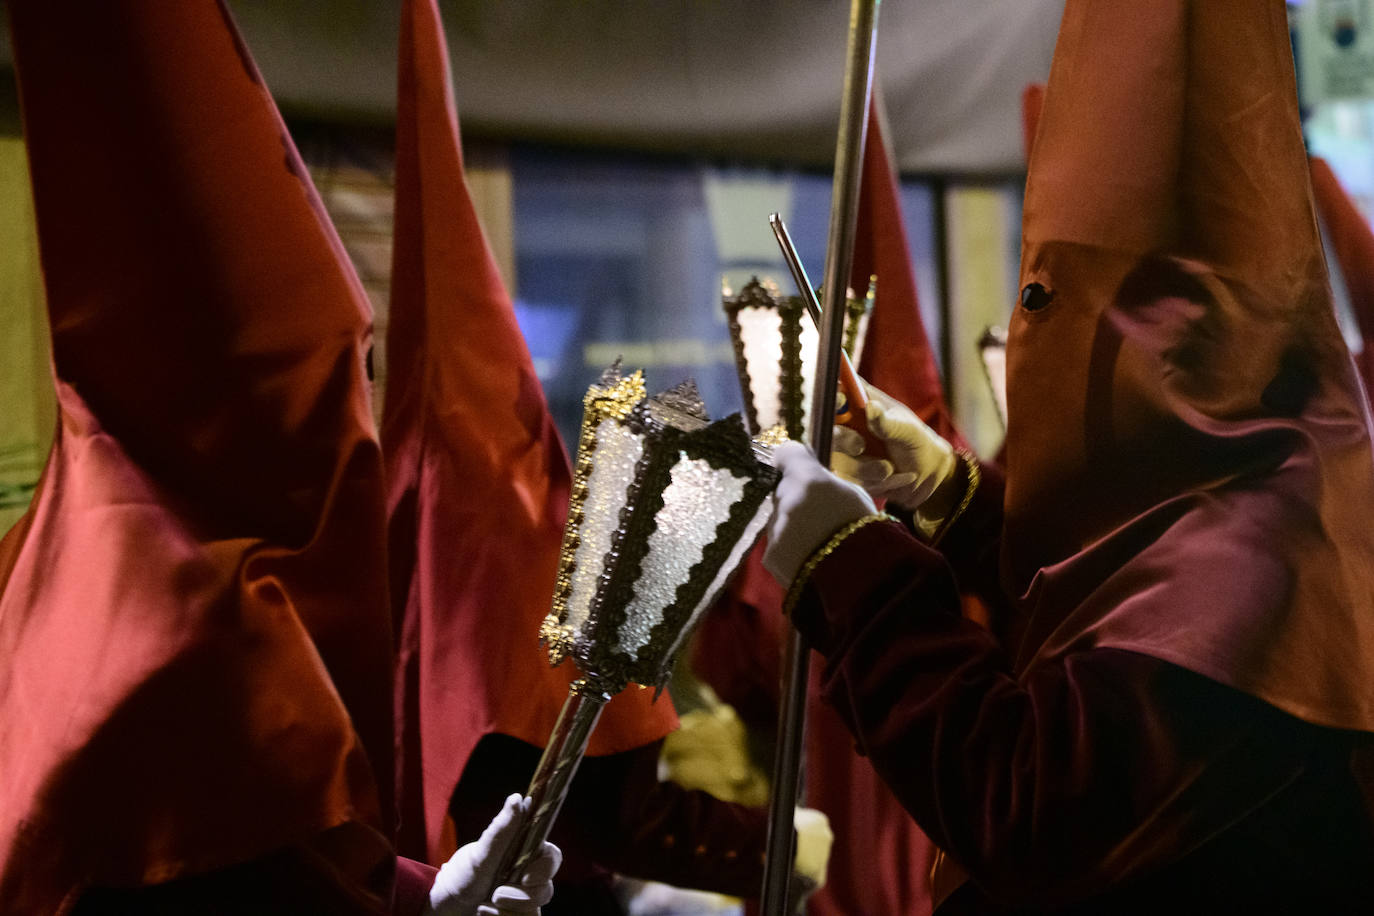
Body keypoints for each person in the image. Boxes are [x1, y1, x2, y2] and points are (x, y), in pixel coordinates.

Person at [762, 1, 1374, 912]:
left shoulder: (1258, 567)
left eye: (1053, 306)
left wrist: (856, 575)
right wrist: (955, 495)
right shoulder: (1252, 483)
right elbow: (1116, 588)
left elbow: (1027, 802)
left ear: (1164, 344)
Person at [0, 1, 556, 912]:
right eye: (334, 379)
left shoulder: (70, 553)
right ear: (240, 415)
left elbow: (289, 863)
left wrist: (419, 893)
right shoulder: (186, 635)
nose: (360, 423)